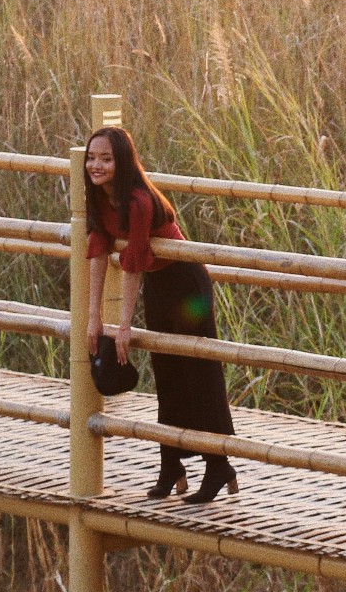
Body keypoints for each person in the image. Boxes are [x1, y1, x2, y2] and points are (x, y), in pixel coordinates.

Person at [82, 126, 239, 502]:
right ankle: (171, 464)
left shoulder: (137, 200)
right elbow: (99, 251)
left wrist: (124, 326)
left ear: (123, 162)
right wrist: (93, 318)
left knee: (198, 371)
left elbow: (134, 262)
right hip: (158, 284)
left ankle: (218, 465)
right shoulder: (98, 198)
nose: (96, 165)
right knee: (167, 375)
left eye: (106, 159)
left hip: (186, 286)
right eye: (91, 157)